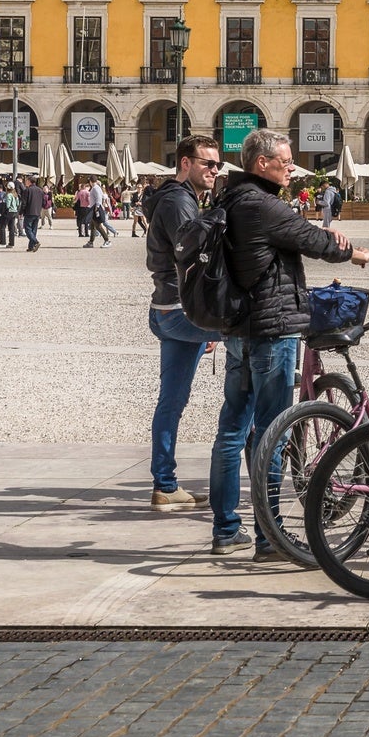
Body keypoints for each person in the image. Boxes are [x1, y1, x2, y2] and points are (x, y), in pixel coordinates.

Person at [209, 127, 369, 559]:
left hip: (238, 331)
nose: (292, 167)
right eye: (285, 161)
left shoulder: (228, 198)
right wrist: (352, 252)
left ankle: (226, 531)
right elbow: (312, 239)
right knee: (272, 434)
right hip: (272, 330)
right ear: (261, 163)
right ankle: (270, 538)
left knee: (231, 432)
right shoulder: (263, 205)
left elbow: (296, 235)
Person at [146, 135, 225, 512]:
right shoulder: (179, 201)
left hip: (168, 310)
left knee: (172, 401)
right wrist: (206, 317)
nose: (214, 170)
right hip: (179, 310)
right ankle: (256, 466)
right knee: (257, 337)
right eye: (207, 163)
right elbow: (191, 259)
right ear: (185, 162)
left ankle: (165, 485)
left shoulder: (177, 198)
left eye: (217, 165)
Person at [19, 178, 46, 251]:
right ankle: (31, 247)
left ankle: (35, 242)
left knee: (27, 229)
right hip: (37, 212)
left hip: (29, 212)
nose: (25, 182)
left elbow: (24, 203)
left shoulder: (27, 190)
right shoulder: (40, 190)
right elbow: (44, 203)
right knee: (34, 229)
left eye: (26, 181)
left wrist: (21, 212)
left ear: (29, 181)